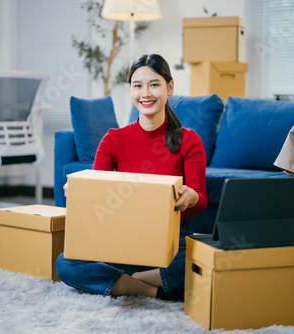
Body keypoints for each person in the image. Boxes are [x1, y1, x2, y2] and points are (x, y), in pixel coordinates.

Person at [56, 54, 207, 301]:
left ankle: (124, 278)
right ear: (130, 90)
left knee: (201, 260)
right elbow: (97, 198)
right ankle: (149, 287)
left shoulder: (189, 140)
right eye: (138, 86)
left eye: (154, 84)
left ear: (169, 87)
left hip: (174, 237)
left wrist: (191, 197)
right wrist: (80, 192)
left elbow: (200, 199)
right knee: (66, 263)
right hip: (123, 235)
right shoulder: (113, 139)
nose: (145, 93)